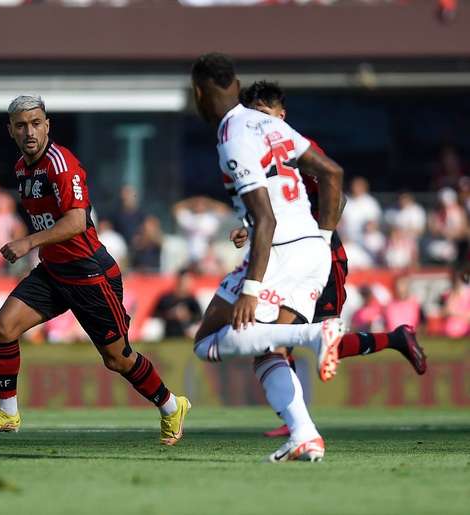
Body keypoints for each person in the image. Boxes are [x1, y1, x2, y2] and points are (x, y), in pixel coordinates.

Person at [0, 95, 190, 444]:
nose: (30, 131)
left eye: (37, 123)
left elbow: (76, 221)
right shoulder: (21, 168)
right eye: (22, 125)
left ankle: (171, 405)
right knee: (3, 327)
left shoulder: (60, 163)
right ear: (10, 130)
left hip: (90, 273)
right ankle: (8, 413)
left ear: (48, 125)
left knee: (118, 359)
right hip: (54, 271)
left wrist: (28, 242)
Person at [240, 80, 427, 438]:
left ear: (281, 115)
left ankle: (395, 340)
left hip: (318, 256)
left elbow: (336, 195)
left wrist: (320, 240)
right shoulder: (252, 156)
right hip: (283, 256)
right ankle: (296, 419)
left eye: (265, 115)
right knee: (276, 337)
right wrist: (248, 230)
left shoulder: (299, 149)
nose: (259, 123)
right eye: (253, 116)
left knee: (317, 341)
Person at [191, 54, 352, 463]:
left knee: (206, 341)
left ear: (198, 93)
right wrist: (323, 238)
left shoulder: (232, 135)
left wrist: (250, 288)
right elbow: (332, 173)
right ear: (237, 83)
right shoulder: (269, 123)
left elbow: (265, 217)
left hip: (278, 250)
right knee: (268, 351)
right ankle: (304, 434)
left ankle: (315, 336)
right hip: (313, 249)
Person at [152, 268, 202, 339]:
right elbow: (155, 314)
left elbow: (199, 317)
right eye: (186, 280)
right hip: (168, 333)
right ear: (179, 280)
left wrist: (187, 315)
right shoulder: (166, 298)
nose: (189, 283)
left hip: (187, 334)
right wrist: (171, 314)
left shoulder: (191, 300)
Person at [339, 177, 382, 245]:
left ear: (364, 188)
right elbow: (339, 221)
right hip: (346, 236)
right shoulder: (345, 200)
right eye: (354, 186)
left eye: (358, 186)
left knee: (375, 240)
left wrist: (368, 229)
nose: (355, 188)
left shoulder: (370, 202)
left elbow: (374, 223)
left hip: (365, 236)